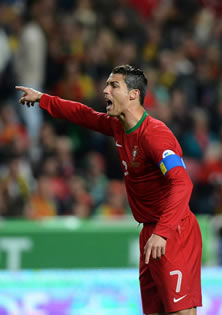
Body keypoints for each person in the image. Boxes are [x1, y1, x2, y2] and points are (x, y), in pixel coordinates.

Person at [16, 65, 202, 315]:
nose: (105, 91)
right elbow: (83, 114)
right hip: (150, 232)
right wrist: (43, 99)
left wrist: (163, 232)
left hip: (173, 231)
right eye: (106, 85)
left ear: (134, 94)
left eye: (114, 86)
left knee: (181, 312)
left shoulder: (155, 135)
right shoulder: (119, 127)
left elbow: (182, 182)